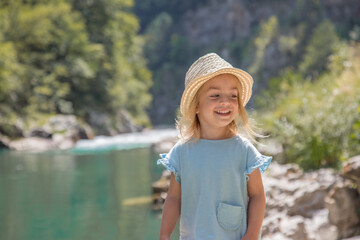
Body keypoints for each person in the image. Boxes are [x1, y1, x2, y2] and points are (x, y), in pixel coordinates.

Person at [157, 53, 273, 240]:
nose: (225, 101)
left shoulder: (243, 151)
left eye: (233, 95)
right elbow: (174, 198)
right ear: (196, 105)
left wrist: (251, 235)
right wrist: (164, 235)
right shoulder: (181, 152)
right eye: (215, 95)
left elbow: (258, 196)